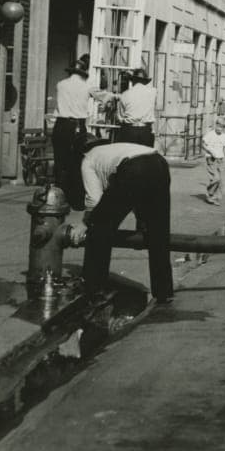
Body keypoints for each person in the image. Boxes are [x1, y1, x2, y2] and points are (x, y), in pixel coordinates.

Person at [76, 134, 173, 305]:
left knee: (99, 229)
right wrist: (142, 219)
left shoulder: (87, 160)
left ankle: (94, 288)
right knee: (159, 231)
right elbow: (136, 195)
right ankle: (163, 291)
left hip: (133, 168)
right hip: (159, 163)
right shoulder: (113, 149)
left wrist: (86, 223)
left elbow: (94, 201)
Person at [52, 55, 107, 210]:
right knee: (76, 163)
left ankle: (57, 198)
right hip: (77, 126)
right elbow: (103, 96)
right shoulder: (87, 86)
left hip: (60, 125)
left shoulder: (60, 84)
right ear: (83, 72)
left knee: (60, 162)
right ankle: (75, 199)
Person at [115, 65, 157, 147]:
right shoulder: (153, 92)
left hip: (129, 131)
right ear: (145, 81)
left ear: (133, 81)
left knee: (129, 157)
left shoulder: (125, 94)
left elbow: (120, 117)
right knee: (145, 157)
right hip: (146, 131)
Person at [201, 115, 225, 205]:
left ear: (224, 128)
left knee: (219, 180)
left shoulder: (224, 136)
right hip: (211, 159)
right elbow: (203, 144)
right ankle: (210, 193)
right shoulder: (210, 134)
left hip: (220, 160)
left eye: (221, 127)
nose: (219, 129)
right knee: (215, 178)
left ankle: (215, 197)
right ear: (215, 125)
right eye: (218, 126)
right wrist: (209, 150)